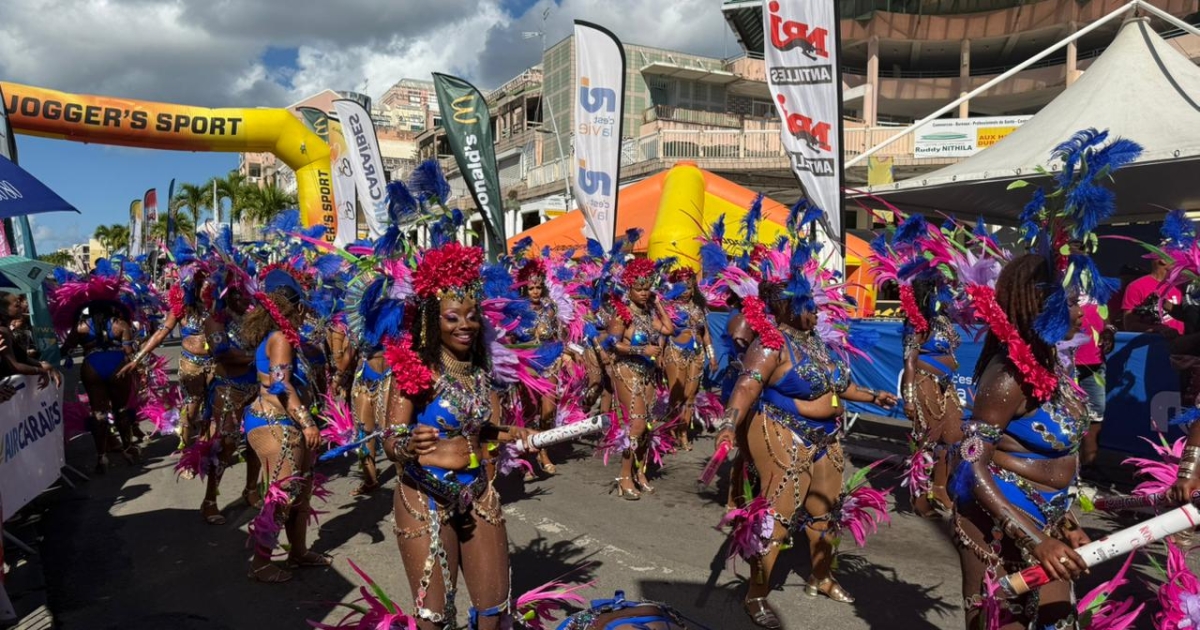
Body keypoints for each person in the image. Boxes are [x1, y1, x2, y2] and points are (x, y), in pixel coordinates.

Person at [714, 239, 896, 628]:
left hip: (824, 437)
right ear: (788, 308)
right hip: (781, 432)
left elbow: (841, 386)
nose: (816, 312)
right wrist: (729, 424)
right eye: (808, 306)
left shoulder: (816, 344)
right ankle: (756, 594)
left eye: (815, 306)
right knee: (776, 520)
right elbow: (747, 387)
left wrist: (873, 396)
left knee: (827, 514)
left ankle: (822, 576)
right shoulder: (770, 345)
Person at [380, 240, 537, 630]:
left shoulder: (480, 372)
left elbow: (477, 427)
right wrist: (407, 444)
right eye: (452, 318)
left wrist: (510, 432)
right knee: (434, 617)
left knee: (494, 609)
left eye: (471, 316)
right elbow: (390, 441)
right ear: (434, 321)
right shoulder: (417, 372)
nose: (465, 325)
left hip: (477, 491)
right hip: (425, 495)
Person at [953, 254, 1092, 630]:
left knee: (1059, 623)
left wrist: (1065, 523)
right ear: (1041, 304)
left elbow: (1056, 458)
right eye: (1072, 301)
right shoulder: (1009, 376)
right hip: (998, 521)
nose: (1082, 310)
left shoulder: (1051, 365)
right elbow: (969, 467)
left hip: (1047, 518)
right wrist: (1034, 539)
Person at [240, 269, 328, 583]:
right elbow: (282, 385)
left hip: (283, 421)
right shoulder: (279, 338)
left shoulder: (282, 336)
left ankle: (298, 552)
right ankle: (260, 563)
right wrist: (307, 423)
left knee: (300, 492)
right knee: (281, 495)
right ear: (292, 307)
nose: (304, 312)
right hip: (274, 423)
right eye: (300, 307)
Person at [606, 258, 674, 500]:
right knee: (635, 426)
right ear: (629, 289)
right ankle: (625, 476)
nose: (644, 293)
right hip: (626, 371)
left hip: (647, 374)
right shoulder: (622, 314)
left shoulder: (647, 314)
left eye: (647, 289)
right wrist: (641, 350)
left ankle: (640, 472)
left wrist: (659, 305)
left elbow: (668, 330)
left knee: (648, 427)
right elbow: (612, 344)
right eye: (639, 289)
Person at [200, 280, 263, 521]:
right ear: (229, 296)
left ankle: (250, 490)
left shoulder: (249, 320)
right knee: (225, 445)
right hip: (228, 390)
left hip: (254, 388)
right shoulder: (215, 320)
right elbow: (223, 352)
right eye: (243, 296)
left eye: (249, 296)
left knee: (256, 440)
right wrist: (257, 358)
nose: (248, 300)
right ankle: (209, 501)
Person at [901, 277, 963, 517]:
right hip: (923, 382)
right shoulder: (917, 322)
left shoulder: (942, 319)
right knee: (927, 440)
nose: (948, 296)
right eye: (942, 292)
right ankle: (918, 497)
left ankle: (939, 488)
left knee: (953, 436)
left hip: (946, 386)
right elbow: (909, 361)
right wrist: (908, 398)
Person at [661, 268, 717, 451]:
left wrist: (712, 355)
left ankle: (683, 432)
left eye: (689, 287)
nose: (686, 291)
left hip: (697, 353)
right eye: (682, 288)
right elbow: (663, 332)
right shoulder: (670, 307)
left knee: (690, 396)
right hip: (675, 351)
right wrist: (658, 355)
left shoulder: (700, 307)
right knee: (676, 395)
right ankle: (670, 430)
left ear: (694, 287)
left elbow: (705, 333)